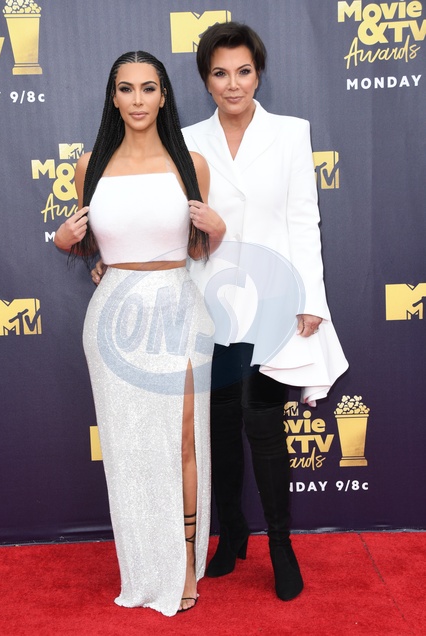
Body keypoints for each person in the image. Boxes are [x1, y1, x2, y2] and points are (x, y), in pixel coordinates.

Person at [92, 23, 348, 602]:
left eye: (243, 72)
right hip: (208, 303)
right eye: (220, 73)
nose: (233, 84)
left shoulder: (290, 133)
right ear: (205, 81)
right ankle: (231, 532)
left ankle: (279, 543)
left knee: (263, 422)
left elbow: (304, 220)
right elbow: (153, 217)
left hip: (276, 300)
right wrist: (113, 256)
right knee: (219, 428)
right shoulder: (185, 142)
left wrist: (311, 298)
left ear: (259, 75)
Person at [54, 51, 225, 616]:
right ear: (113, 97)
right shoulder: (89, 166)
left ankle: (185, 564)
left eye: (148, 88)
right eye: (126, 88)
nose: (137, 100)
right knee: (130, 450)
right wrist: (63, 241)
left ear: (164, 95)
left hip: (178, 306)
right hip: (114, 316)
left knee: (184, 439)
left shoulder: (192, 164)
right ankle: (147, 568)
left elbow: (199, 246)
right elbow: (91, 244)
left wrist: (219, 230)